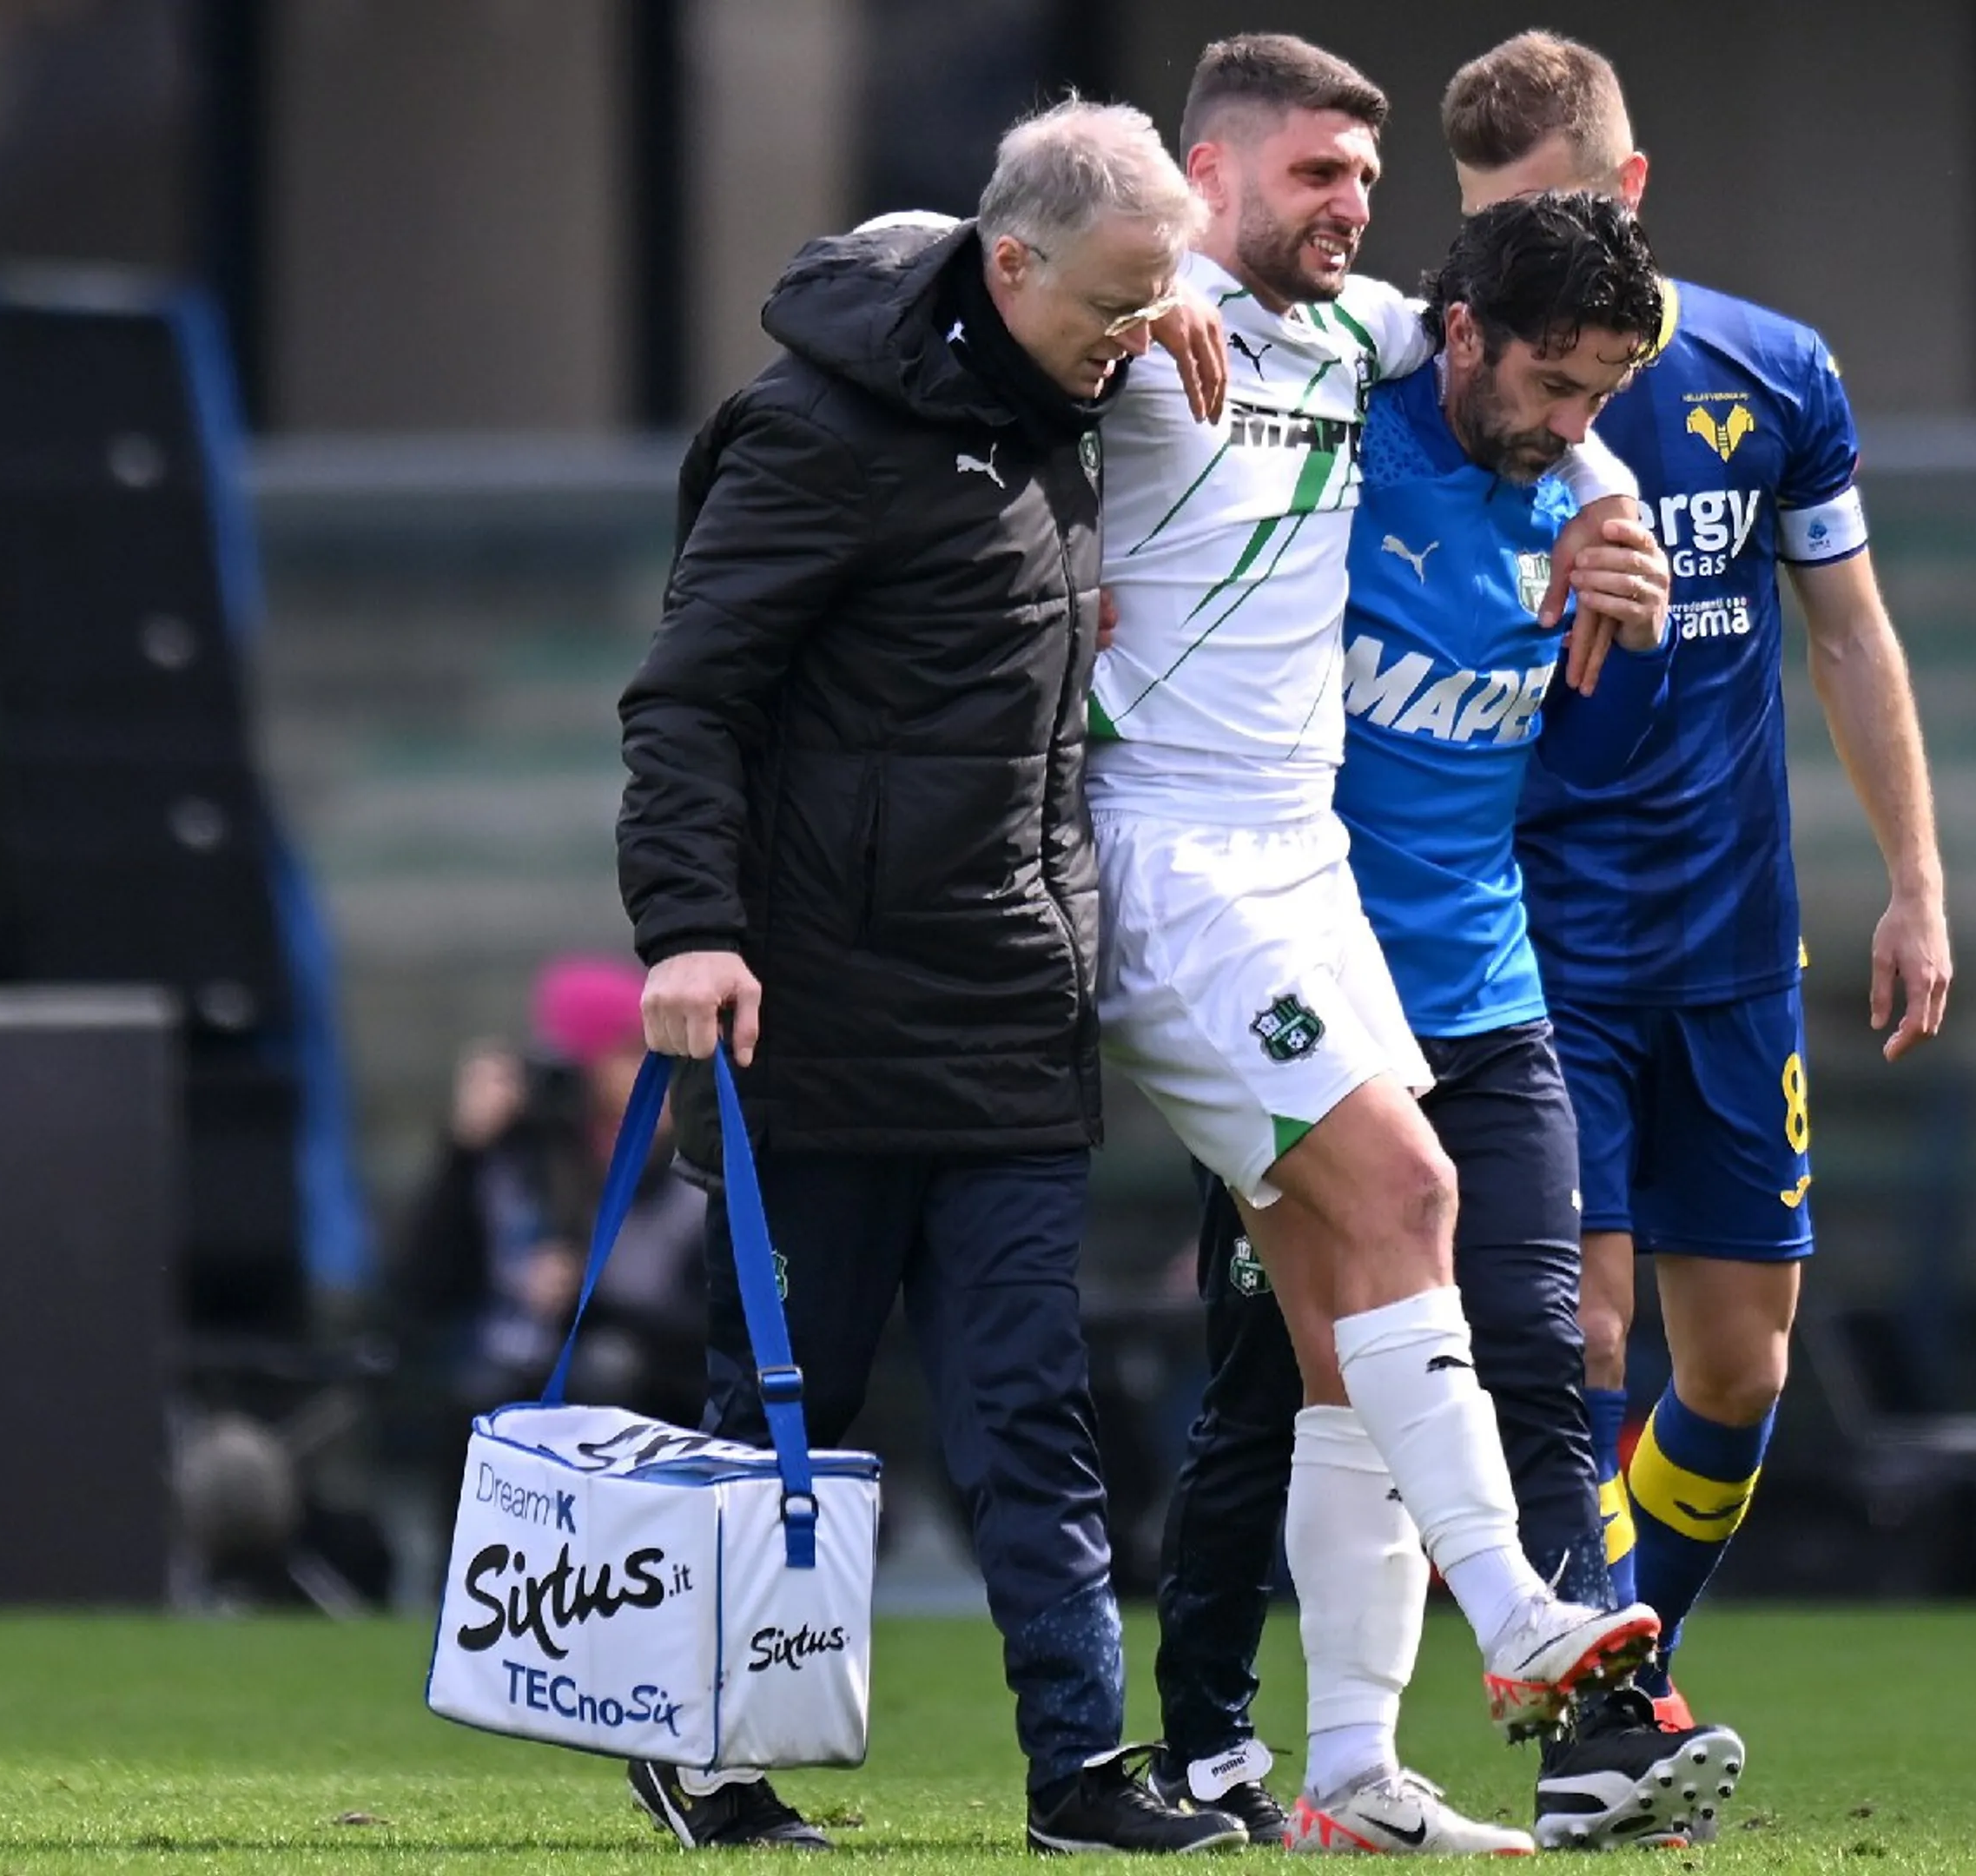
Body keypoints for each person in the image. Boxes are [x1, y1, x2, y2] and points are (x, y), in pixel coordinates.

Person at [612, 100, 1238, 1854]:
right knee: (772, 1426)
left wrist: (1166, 310)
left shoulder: (1070, 408)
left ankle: (1079, 1782)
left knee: (1035, 1417)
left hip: (1013, 1014)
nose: (1138, 340)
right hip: (810, 1018)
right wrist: (686, 931)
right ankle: (714, 1763)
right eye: (1116, 304)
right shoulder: (819, 432)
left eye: (1157, 303)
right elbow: (687, 697)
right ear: (1008, 261)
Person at [1091, 33, 1670, 1853]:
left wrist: (1613, 501)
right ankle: (1517, 1616)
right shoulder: (1120, 322)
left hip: (1302, 865)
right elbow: (916, 293)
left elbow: (1533, 374)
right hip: (1167, 854)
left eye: (1364, 176)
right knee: (1409, 1203)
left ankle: (1350, 1771)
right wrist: (1109, 317)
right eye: (1317, 173)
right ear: (1210, 176)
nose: (1354, 203)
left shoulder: (1365, 346)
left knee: (1351, 1322)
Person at [1442, 29, 1953, 1762]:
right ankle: (1604, 1710)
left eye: (1546, 216)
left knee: (1737, 1369)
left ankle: (1612, 1656)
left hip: (1732, 943)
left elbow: (1851, 633)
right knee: (1578, 1318)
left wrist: (1916, 883)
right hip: (1541, 939)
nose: (1510, 273)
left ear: (1627, 193)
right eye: (1484, 228)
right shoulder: (1444, 386)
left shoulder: (1771, 370)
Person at [395, 955, 710, 1441]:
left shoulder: (687, 1183)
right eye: (630, 1053)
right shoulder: (511, 1166)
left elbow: (707, 1343)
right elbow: (421, 1298)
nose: (658, 1077)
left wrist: (590, 1300)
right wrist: (462, 1153)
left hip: (646, 1428)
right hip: (506, 1419)